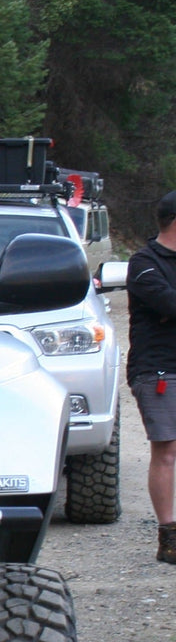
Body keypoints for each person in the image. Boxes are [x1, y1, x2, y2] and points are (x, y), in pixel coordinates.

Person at [125, 189, 176, 562]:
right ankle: (169, 535)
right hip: (159, 370)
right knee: (168, 450)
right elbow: (169, 304)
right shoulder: (144, 263)